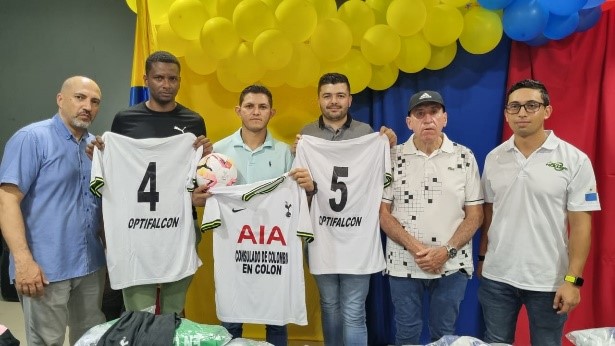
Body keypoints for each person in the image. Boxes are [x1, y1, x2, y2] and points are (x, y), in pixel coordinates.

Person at [478, 79, 601, 345]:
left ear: (547, 111)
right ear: (506, 114)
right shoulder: (494, 158)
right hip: (497, 278)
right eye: (515, 106)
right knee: (495, 341)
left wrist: (573, 281)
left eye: (531, 105)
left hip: (549, 281)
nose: (522, 113)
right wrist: (482, 257)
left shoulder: (574, 159)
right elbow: (489, 212)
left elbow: (581, 226)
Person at [88, 50, 211, 315]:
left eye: (173, 79)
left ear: (180, 81)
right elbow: (117, 171)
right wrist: (101, 153)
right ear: (146, 79)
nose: (166, 85)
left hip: (179, 226)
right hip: (135, 229)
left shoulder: (193, 121)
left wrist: (207, 157)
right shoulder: (125, 120)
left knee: (173, 311)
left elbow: (199, 174)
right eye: (159, 78)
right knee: (138, 312)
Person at [0, 76, 107, 345]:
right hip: (45, 269)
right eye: (79, 97)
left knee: (90, 340)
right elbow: (6, 200)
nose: (87, 106)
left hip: (90, 265)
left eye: (94, 102)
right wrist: (23, 261)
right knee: (47, 342)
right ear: (60, 100)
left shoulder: (96, 147)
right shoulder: (31, 139)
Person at [205, 84, 314, 346]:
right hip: (234, 248)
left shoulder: (286, 154)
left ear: (272, 112)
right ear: (238, 110)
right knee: (231, 319)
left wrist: (307, 185)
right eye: (250, 106)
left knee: (276, 318)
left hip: (273, 248)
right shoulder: (217, 153)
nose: (256, 112)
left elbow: (297, 201)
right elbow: (204, 198)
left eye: (262, 107)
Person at [294, 72, 396, 346]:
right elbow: (297, 192)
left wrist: (388, 146)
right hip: (321, 235)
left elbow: (384, 177)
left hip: (357, 238)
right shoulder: (305, 136)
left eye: (340, 95)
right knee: (329, 305)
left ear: (350, 100)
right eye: (327, 96)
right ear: (318, 100)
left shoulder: (367, 135)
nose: (334, 101)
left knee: (353, 310)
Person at [378, 90, 484, 344]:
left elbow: (475, 215)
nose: (428, 120)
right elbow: (383, 213)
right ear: (409, 122)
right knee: (406, 333)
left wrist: (445, 251)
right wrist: (418, 250)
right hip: (403, 263)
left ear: (444, 118)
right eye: (420, 114)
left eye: (434, 112)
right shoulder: (392, 158)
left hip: (452, 264)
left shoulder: (464, 157)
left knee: (445, 335)